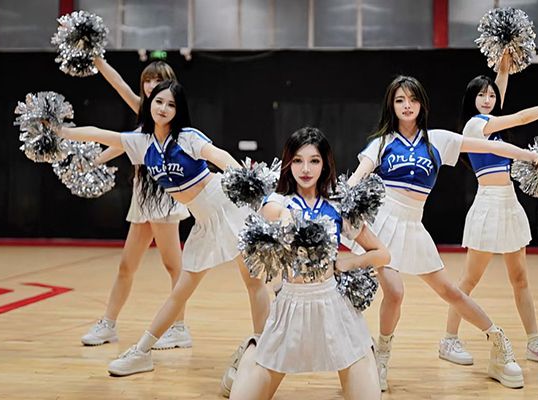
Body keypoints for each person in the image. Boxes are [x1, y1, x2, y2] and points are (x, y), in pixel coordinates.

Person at [345, 75, 538, 390]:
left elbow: (491, 145)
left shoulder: (439, 140)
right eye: (400, 100)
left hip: (413, 226)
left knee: (451, 292)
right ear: (391, 105)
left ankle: (498, 342)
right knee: (395, 292)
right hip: (383, 224)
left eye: (412, 99)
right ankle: (381, 356)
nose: (406, 106)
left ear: (421, 104)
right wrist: (338, 201)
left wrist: (536, 158)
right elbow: (357, 177)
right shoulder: (382, 142)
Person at [56, 80, 270, 376]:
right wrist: (62, 132)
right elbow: (100, 134)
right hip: (203, 220)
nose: (164, 108)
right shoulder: (142, 142)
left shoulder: (188, 137)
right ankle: (142, 352)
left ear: (178, 110)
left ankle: (263, 353)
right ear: (149, 103)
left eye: (171, 104)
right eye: (159, 101)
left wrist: (244, 178)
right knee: (181, 291)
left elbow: (218, 155)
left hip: (229, 207)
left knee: (254, 281)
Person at [227, 127, 388, 400]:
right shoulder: (277, 201)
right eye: (298, 160)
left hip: (335, 306)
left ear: (325, 164)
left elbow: (383, 254)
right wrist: (286, 218)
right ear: (288, 164)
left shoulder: (338, 205)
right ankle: (252, 348)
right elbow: (274, 215)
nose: (305, 169)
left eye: (314, 160)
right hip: (290, 305)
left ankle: (365, 349)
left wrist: (347, 263)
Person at [439, 55, 538, 368]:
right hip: (488, 204)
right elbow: (519, 118)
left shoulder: (490, 121)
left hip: (509, 203)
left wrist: (504, 64)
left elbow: (500, 89)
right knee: (469, 280)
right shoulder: (475, 125)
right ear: (471, 99)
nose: (488, 99)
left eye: (491, 95)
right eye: (481, 95)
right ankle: (449, 339)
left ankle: (534, 342)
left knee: (520, 278)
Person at [81, 58, 192, 350]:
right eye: (147, 80)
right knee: (126, 266)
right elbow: (124, 133)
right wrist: (97, 59)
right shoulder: (145, 112)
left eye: (158, 80)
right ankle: (108, 324)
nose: (151, 85)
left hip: (164, 195)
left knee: (173, 266)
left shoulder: (171, 117)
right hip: (142, 196)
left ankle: (179, 328)